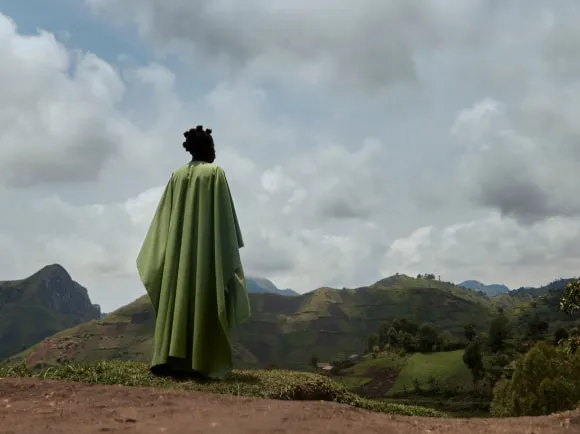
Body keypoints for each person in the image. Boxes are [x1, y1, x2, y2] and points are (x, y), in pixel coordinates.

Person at [136, 125, 251, 380]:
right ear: (206, 148)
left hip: (179, 259)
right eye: (213, 147)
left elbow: (164, 220)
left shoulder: (177, 176)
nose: (215, 152)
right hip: (207, 255)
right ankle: (201, 363)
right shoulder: (215, 173)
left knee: (177, 296)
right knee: (204, 297)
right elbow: (224, 221)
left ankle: (168, 359)